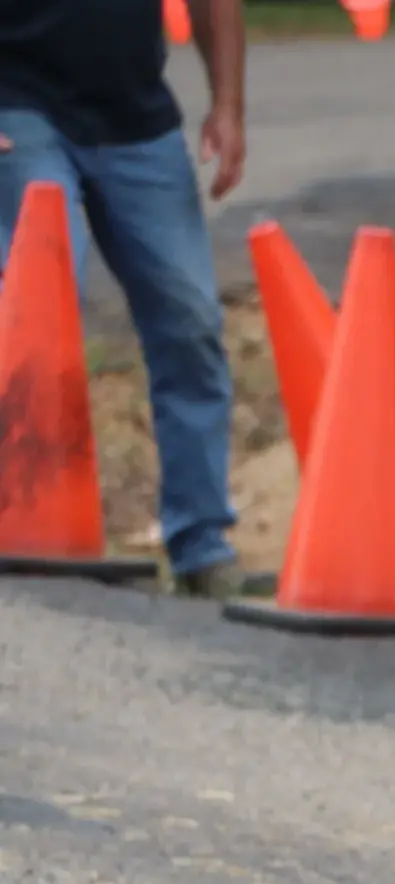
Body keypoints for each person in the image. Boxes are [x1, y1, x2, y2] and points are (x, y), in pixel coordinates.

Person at [0, 0, 258, 597]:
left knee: (190, 321)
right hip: (18, 107)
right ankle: (28, 525)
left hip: (134, 117)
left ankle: (202, 547)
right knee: (41, 310)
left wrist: (228, 106)